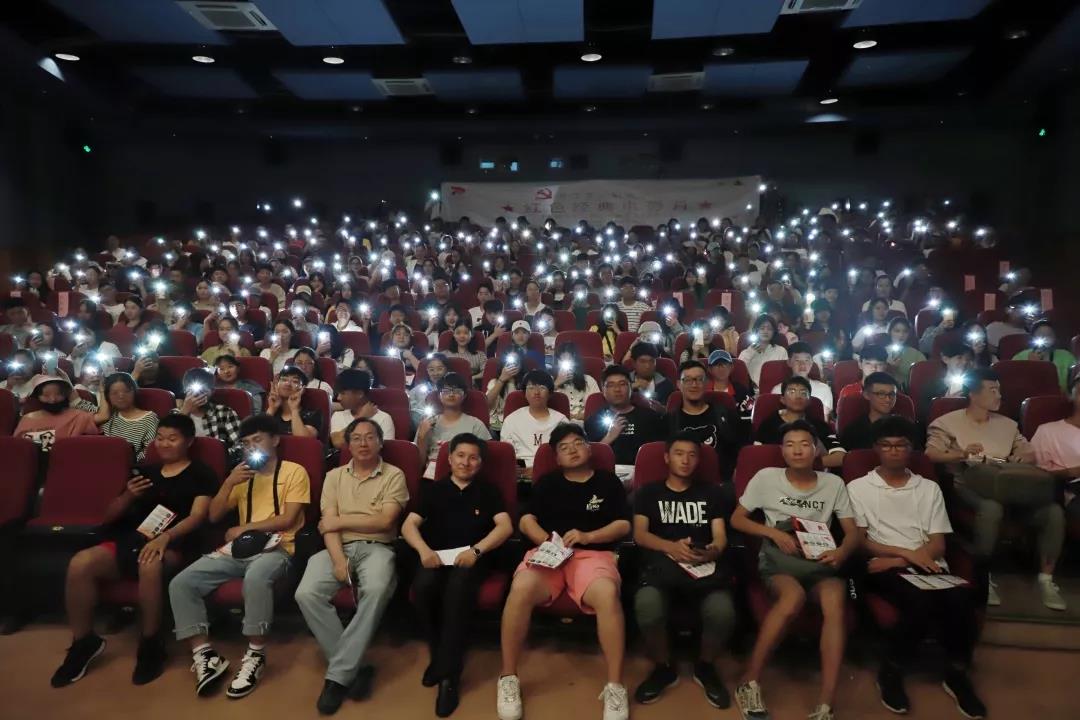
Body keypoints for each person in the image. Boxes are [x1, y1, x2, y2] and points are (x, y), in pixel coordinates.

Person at [50, 414, 216, 688]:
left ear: (188, 441)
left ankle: (151, 642)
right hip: (133, 539)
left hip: (176, 542)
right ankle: (84, 641)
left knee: (149, 563)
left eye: (172, 439)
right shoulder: (144, 472)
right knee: (81, 563)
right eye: (160, 438)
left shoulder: (201, 473)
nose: (164, 444)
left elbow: (198, 516)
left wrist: (165, 538)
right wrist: (128, 496)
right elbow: (108, 517)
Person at [848, 416, 986, 719]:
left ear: (911, 449)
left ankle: (956, 673)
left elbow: (937, 544)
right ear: (876, 449)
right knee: (918, 602)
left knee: (962, 600)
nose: (894, 451)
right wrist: (903, 556)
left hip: (925, 564)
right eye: (887, 446)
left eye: (901, 445)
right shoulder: (859, 488)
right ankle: (892, 669)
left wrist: (903, 559)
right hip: (885, 567)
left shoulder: (928, 488)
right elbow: (862, 541)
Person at [168, 414, 310, 698]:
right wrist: (229, 483)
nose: (251, 447)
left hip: (279, 547)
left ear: (275, 440)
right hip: (240, 549)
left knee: (256, 577)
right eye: (246, 443)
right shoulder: (242, 476)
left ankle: (256, 653)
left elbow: (288, 518)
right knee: (181, 583)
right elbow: (214, 515)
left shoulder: (294, 471)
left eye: (257, 440)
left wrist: (243, 527)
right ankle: (204, 654)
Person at [497, 423, 631, 720]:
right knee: (520, 588)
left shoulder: (608, 482)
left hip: (592, 554)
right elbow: (526, 520)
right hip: (550, 553)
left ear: (589, 448)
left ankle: (615, 685)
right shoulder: (547, 483)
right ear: (556, 457)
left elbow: (624, 524)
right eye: (564, 447)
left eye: (578, 443)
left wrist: (588, 536)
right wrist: (547, 541)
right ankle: (508, 677)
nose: (572, 450)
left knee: (607, 593)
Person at [731, 419, 859, 720]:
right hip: (780, 561)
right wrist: (773, 533)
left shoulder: (833, 484)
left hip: (820, 559)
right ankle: (749, 681)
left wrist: (841, 552)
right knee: (792, 598)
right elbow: (737, 519)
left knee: (834, 601)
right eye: (790, 445)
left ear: (816, 450)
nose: (797, 451)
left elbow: (853, 532)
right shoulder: (766, 477)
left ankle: (825, 702)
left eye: (804, 444)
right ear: (782, 450)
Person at [925, 368, 1065, 610]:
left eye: (999, 390)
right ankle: (983, 576)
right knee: (991, 508)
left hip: (1009, 485)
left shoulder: (1008, 424)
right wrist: (961, 453)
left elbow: (1028, 452)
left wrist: (1022, 458)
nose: (999, 395)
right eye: (992, 390)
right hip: (969, 485)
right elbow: (931, 454)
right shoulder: (946, 423)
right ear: (973, 394)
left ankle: (1046, 578)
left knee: (1053, 512)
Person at [295, 417, 408, 715]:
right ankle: (353, 668)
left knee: (377, 588)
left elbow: (385, 522)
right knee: (306, 593)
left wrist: (339, 521)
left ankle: (337, 678)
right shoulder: (334, 476)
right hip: (338, 547)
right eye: (356, 438)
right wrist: (337, 561)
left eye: (370, 437)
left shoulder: (394, 474)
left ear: (380, 442)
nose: (363, 443)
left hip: (377, 547)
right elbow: (327, 527)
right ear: (347, 444)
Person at [402, 433, 513, 717]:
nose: (466, 462)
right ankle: (439, 655)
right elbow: (409, 526)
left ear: (481, 463)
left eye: (473, 457)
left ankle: (448, 677)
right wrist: (424, 550)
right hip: (436, 556)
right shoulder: (434, 489)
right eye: (460, 456)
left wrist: (476, 551)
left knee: (457, 589)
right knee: (423, 588)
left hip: (472, 559)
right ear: (449, 459)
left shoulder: (488, 491)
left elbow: (504, 527)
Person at [631, 433, 735, 708]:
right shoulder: (648, 492)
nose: (685, 460)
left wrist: (712, 550)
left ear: (699, 460)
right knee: (647, 606)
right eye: (679, 453)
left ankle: (706, 666)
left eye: (692, 455)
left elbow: (720, 537)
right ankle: (663, 666)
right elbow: (640, 534)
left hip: (704, 567)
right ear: (667, 457)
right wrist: (670, 547)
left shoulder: (712, 493)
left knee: (722, 611)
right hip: (662, 567)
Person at [584, 365, 666, 485]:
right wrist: (609, 437)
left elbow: (658, 455)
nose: (617, 389)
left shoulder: (650, 417)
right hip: (604, 476)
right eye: (611, 385)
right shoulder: (594, 420)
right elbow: (589, 458)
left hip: (643, 475)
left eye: (622, 384)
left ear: (630, 387)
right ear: (603, 390)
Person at [668, 361, 738, 479]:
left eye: (699, 379)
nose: (694, 385)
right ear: (679, 384)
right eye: (688, 380)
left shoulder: (726, 416)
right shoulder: (668, 421)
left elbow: (740, 453)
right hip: (682, 482)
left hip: (721, 482)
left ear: (707, 383)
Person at [755, 377, 845, 468]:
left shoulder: (819, 425)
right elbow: (756, 456)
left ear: (809, 401)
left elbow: (840, 457)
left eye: (803, 393)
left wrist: (806, 465)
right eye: (792, 392)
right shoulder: (769, 424)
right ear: (782, 399)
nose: (798, 396)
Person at [416, 372, 491, 479]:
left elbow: (484, 461)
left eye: (456, 391)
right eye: (446, 391)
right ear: (439, 395)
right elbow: (418, 465)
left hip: (464, 476)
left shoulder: (476, 424)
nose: (451, 394)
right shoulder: (427, 423)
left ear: (464, 395)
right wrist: (421, 437)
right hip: (432, 477)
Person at [1032, 376, 1080, 528]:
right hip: (1073, 489)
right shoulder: (1048, 431)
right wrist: (1071, 472)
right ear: (1071, 396)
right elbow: (1035, 476)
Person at [499, 370, 569, 474]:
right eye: (531, 388)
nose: (536, 392)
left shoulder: (561, 421)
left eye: (542, 387)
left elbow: (566, 454)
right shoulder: (511, 420)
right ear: (524, 393)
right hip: (520, 475)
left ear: (550, 393)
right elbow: (506, 454)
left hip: (552, 473)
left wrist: (537, 470)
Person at [14, 374, 99, 451]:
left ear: (65, 395)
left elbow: (103, 416)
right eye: (46, 395)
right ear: (38, 397)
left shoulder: (77, 416)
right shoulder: (27, 419)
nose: (53, 400)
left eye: (58, 394)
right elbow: (18, 448)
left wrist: (102, 389)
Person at [176, 368, 242, 462]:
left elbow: (240, 445)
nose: (198, 394)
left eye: (203, 390)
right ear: (185, 390)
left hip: (219, 463)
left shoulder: (224, 412)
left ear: (212, 391)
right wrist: (184, 412)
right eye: (192, 389)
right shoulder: (175, 415)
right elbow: (168, 445)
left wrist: (218, 456)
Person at [93, 372, 159, 462]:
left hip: (131, 465)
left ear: (134, 392)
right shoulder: (107, 414)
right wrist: (102, 391)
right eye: (114, 393)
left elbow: (149, 451)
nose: (121, 396)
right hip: (102, 461)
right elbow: (80, 404)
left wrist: (128, 460)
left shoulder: (149, 418)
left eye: (126, 391)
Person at [331, 369, 395, 448]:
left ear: (360, 394)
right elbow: (337, 443)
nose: (338, 398)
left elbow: (383, 450)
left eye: (343, 393)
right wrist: (361, 418)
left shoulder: (384, 418)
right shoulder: (338, 415)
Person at [838, 372, 902, 450]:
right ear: (866, 395)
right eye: (881, 394)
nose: (888, 399)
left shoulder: (904, 427)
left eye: (892, 394)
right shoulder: (853, 431)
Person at [769, 341, 834, 415]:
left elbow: (824, 418)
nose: (802, 365)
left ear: (812, 362)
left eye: (806, 360)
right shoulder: (778, 390)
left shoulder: (824, 389)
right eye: (797, 360)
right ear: (789, 362)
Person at [1011, 320, 1077, 391]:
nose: (1045, 337)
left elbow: (1076, 380)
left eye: (1049, 334)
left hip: (1060, 395)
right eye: (1040, 334)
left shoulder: (1066, 356)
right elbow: (1014, 384)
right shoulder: (1020, 357)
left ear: (1054, 338)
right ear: (1033, 338)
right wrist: (1030, 366)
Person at [266, 365, 321, 439]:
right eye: (284, 380)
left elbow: (304, 440)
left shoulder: (313, 415)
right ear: (276, 385)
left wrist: (294, 409)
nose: (288, 384)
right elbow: (258, 438)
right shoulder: (270, 412)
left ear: (303, 389)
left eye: (295, 381)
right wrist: (272, 409)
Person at [737, 315, 788, 391]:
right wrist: (750, 352)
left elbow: (785, 375)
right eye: (762, 328)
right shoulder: (747, 351)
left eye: (769, 329)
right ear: (756, 330)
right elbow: (739, 371)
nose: (765, 331)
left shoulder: (781, 351)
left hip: (774, 392)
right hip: (751, 392)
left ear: (774, 332)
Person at [553, 343, 601, 424]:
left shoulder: (588, 380)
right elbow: (544, 407)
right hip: (559, 423)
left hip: (585, 422)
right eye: (562, 359)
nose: (566, 363)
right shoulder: (550, 381)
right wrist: (556, 383)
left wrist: (576, 417)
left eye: (570, 359)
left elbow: (595, 407)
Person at [628, 342, 674, 407]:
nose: (648, 366)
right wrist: (630, 387)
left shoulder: (666, 384)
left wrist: (662, 410)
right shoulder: (625, 380)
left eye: (652, 361)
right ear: (633, 363)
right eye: (643, 361)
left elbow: (672, 409)